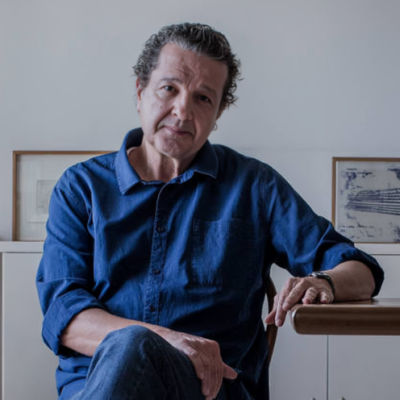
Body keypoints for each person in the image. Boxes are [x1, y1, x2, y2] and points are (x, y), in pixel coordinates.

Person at [37, 23, 384, 400]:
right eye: (169, 88)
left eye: (203, 98)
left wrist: (324, 282)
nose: (182, 111)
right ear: (140, 91)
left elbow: (360, 269)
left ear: (218, 113)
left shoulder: (255, 186)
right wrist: (164, 340)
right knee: (131, 345)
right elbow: (65, 315)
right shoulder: (81, 187)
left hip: (208, 391)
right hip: (96, 384)